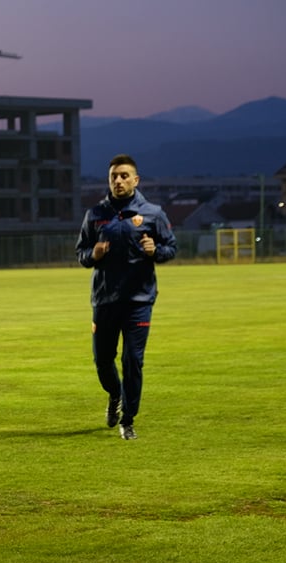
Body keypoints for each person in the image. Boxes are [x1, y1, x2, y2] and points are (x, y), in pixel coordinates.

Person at [75, 154, 177, 440]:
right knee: (102, 361)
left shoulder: (153, 214)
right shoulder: (95, 214)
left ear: (135, 180)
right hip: (105, 301)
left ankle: (128, 419)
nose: (118, 180)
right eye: (113, 177)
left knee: (133, 360)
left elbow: (171, 248)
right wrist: (91, 255)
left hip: (139, 302)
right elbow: (81, 252)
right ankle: (114, 395)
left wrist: (154, 251)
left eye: (123, 176)